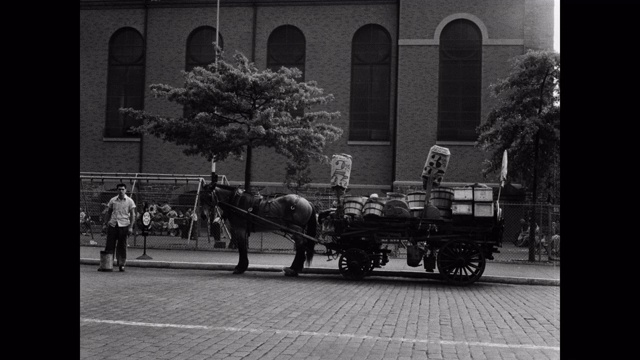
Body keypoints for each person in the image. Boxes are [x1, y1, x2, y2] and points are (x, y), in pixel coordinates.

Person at [103, 183, 136, 272]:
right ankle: (107, 264)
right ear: (117, 190)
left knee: (122, 246)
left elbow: (133, 214)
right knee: (109, 245)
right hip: (113, 225)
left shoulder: (130, 201)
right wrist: (105, 223)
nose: (121, 191)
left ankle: (121, 264)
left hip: (124, 225)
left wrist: (131, 227)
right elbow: (109, 212)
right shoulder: (113, 200)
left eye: (122, 189)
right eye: (119, 189)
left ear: (125, 190)